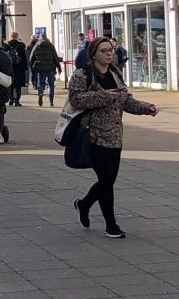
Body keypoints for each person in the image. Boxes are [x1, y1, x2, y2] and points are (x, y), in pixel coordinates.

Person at [67, 36, 159, 239]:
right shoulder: (83, 74)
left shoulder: (115, 74)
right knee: (106, 181)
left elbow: (126, 100)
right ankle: (111, 225)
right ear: (93, 54)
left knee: (108, 180)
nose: (109, 54)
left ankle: (83, 204)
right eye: (104, 51)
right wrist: (104, 96)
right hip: (94, 135)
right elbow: (75, 100)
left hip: (115, 136)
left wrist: (146, 108)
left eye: (111, 50)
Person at [29, 36, 62, 107]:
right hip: (51, 68)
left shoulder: (37, 45)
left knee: (40, 83)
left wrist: (33, 65)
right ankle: (51, 101)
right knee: (51, 84)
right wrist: (59, 68)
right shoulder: (50, 46)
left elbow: (31, 57)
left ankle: (40, 93)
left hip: (40, 68)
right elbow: (55, 57)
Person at [5, 35, 29, 106]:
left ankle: (11, 99)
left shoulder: (7, 46)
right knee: (18, 85)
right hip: (19, 68)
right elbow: (24, 58)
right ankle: (17, 100)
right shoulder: (21, 46)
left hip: (9, 68)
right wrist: (25, 68)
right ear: (17, 36)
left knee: (10, 85)